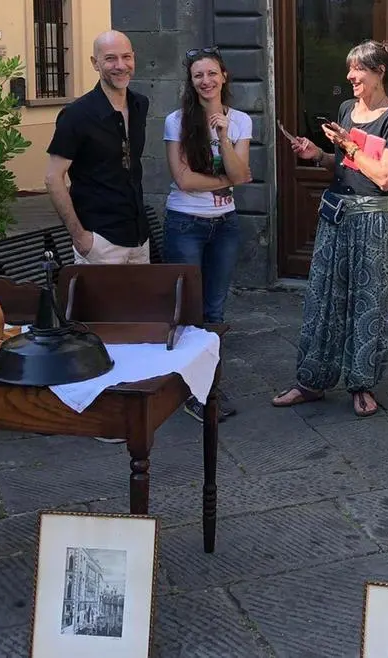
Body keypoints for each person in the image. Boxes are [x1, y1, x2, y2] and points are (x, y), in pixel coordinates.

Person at [272, 39, 388, 417]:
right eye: (349, 69)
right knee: (322, 298)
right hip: (336, 214)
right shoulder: (347, 109)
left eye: (358, 70)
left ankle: (361, 385)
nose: (350, 76)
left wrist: (347, 147)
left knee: (366, 302)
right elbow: (346, 166)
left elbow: (384, 176)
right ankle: (311, 381)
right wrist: (318, 155)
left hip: (372, 221)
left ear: (379, 72)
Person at [163, 46, 253, 422]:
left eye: (212, 73)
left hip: (225, 225)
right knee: (188, 309)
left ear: (224, 76)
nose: (206, 81)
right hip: (186, 223)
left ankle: (209, 387)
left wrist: (222, 133)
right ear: (191, 80)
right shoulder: (176, 121)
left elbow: (242, 174)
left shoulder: (240, 121)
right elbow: (182, 179)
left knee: (214, 310)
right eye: (198, 75)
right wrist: (225, 180)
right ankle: (186, 388)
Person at [45, 31, 150, 265]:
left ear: (134, 58)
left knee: (140, 303)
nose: (120, 65)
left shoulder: (139, 104)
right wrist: (80, 237)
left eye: (126, 57)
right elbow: (53, 178)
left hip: (139, 237)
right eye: (111, 58)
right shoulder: (75, 115)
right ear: (95, 63)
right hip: (100, 241)